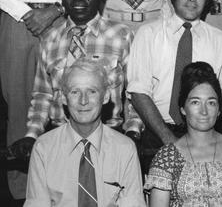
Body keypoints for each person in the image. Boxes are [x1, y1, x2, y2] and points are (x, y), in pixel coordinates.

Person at [0, 0, 78, 200]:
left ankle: (61, 179)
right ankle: (21, 190)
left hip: (57, 24)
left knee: (61, 99)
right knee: (18, 102)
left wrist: (53, 12)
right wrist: (26, 14)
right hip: (16, 23)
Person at [9, 0, 134, 160]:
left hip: (110, 137)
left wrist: (133, 131)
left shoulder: (121, 36)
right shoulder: (49, 40)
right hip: (60, 138)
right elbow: (42, 94)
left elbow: (133, 93)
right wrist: (32, 135)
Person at [127, 0, 222, 169]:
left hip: (206, 136)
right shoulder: (148, 34)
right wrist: (171, 142)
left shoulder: (220, 40)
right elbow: (139, 93)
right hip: (158, 133)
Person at [24, 58, 145, 207]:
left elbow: (132, 203)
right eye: (75, 92)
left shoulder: (125, 149)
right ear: (63, 97)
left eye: (92, 91)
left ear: (106, 96)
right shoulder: (43, 148)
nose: (83, 101)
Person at [146, 62, 222, 207]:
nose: (204, 111)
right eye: (195, 102)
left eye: (211, 103)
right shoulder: (167, 157)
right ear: (183, 108)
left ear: (219, 110)